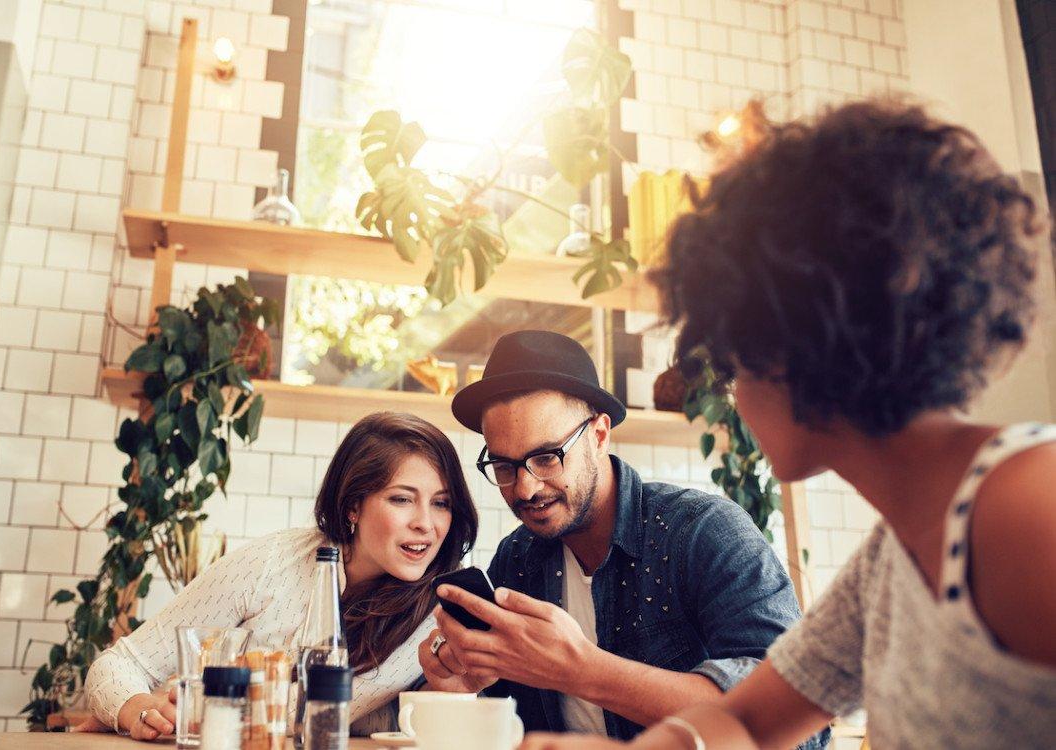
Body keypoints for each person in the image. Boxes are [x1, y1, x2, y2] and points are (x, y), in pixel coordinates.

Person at [518, 100, 1056, 750]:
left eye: (736, 363)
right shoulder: (891, 558)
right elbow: (747, 721)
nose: (736, 399)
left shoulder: (1027, 509)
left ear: (794, 346)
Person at [418, 330, 822, 747]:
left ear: (599, 434)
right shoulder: (517, 560)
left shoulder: (703, 533)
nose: (524, 489)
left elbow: (800, 728)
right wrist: (462, 689)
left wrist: (580, 669)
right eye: (504, 466)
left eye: (545, 458)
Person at [78, 411, 478, 741]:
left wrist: (196, 703)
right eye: (402, 499)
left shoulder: (440, 609)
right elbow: (118, 666)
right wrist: (136, 708)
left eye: (441, 503)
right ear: (353, 505)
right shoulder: (272, 561)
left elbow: (315, 712)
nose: (427, 524)